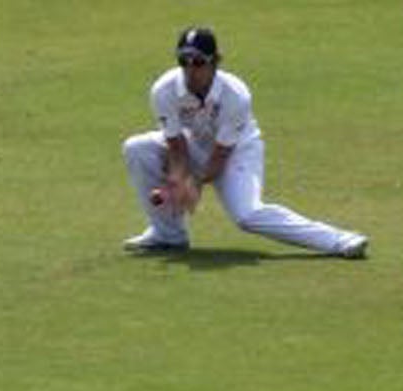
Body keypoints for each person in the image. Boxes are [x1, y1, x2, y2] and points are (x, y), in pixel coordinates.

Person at [122, 27, 367, 257]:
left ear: (215, 61)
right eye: (183, 61)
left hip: (238, 151)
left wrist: (194, 184)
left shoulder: (235, 94)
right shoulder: (163, 90)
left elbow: (220, 154)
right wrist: (178, 179)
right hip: (195, 145)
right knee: (137, 148)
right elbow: (176, 144)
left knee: (247, 215)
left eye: (198, 62)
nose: (190, 69)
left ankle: (340, 240)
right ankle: (168, 236)